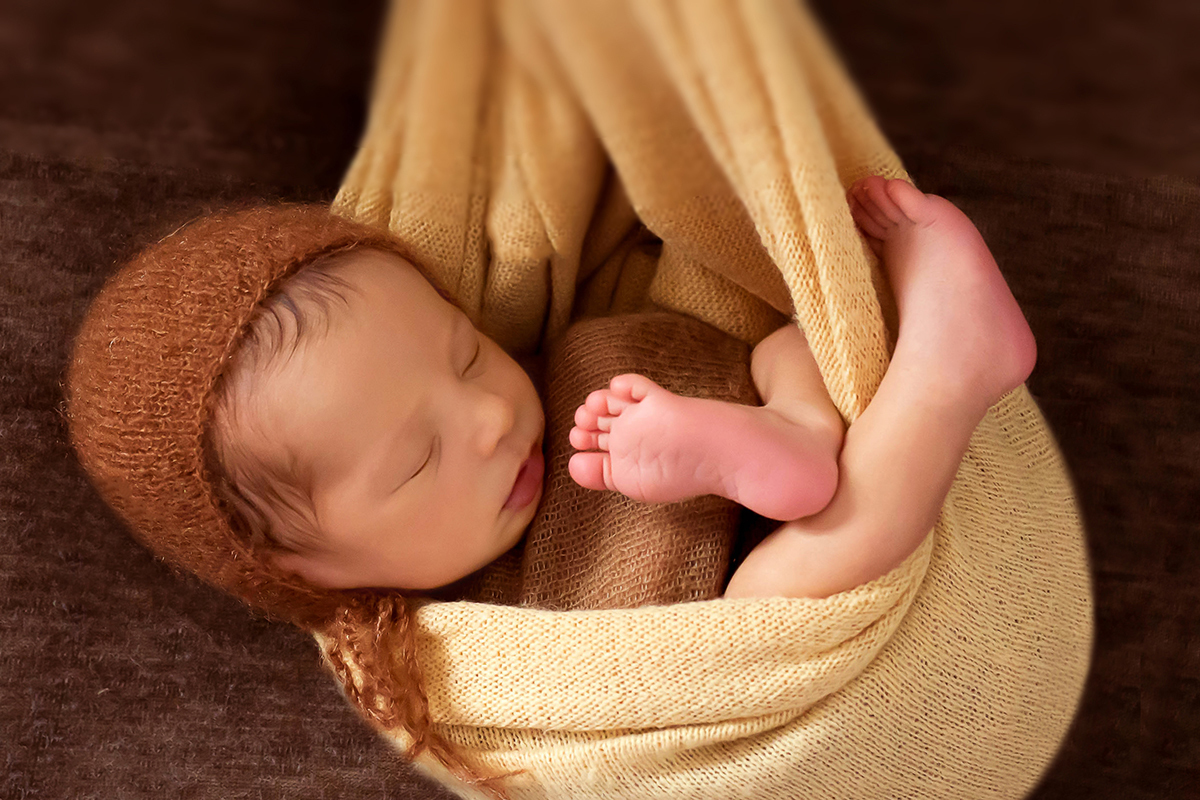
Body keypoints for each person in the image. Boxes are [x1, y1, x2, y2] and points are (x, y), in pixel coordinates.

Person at [207, 176, 1036, 601]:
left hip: (676, 408)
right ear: (313, 573)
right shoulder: (433, 652)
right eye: (419, 459)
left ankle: (796, 432)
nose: (492, 415)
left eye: (466, 355)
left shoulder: (572, 374)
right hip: (707, 604)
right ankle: (939, 376)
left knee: (788, 346)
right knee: (768, 597)